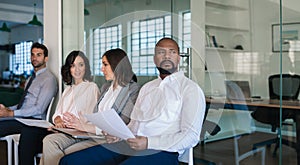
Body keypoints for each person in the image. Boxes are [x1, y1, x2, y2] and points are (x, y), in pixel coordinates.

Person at [59, 37, 206, 165]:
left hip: (162, 151)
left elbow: (191, 136)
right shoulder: (147, 88)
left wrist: (148, 142)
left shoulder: (190, 89)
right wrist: (118, 134)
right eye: (161, 52)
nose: (167, 56)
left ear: (179, 57)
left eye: (172, 52)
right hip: (129, 144)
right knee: (70, 161)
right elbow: (134, 124)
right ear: (155, 58)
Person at [41, 48, 140, 165]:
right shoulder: (105, 88)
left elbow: (122, 121)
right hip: (96, 135)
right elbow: (95, 117)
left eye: (105, 65)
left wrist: (81, 125)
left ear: (117, 65)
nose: (102, 69)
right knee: (49, 144)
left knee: (63, 154)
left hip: (108, 139)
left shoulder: (132, 89)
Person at [18, 50, 100, 165]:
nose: (77, 70)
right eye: (73, 66)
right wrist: (58, 120)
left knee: (48, 142)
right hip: (62, 130)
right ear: (69, 69)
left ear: (86, 67)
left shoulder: (91, 87)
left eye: (81, 65)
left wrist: (67, 124)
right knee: (28, 131)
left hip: (77, 132)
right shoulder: (68, 90)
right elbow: (57, 114)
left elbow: (89, 117)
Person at [0, 42, 58, 136]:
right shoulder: (30, 79)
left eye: (39, 55)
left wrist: (11, 113)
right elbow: (23, 105)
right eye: (32, 54)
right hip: (21, 117)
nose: (34, 58)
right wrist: (6, 110)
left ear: (46, 58)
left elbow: (39, 109)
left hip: (33, 121)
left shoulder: (49, 79)